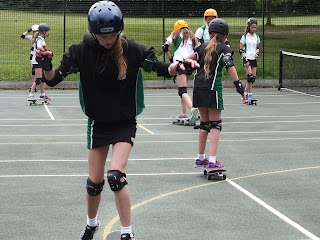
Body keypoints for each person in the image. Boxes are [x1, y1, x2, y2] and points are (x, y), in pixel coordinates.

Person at [35, 1, 199, 240]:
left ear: (119, 30)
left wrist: (181, 66)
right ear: (93, 33)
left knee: (116, 176)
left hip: (123, 121)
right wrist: (46, 64)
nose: (108, 40)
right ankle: (92, 224)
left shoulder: (131, 49)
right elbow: (53, 79)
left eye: (112, 34)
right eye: (103, 36)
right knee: (94, 183)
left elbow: (162, 68)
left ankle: (126, 232)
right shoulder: (82, 50)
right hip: (98, 123)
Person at [184, 18, 245, 170]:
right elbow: (230, 65)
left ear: (210, 33)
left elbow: (187, 60)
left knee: (204, 125)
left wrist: (189, 69)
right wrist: (239, 87)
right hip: (213, 89)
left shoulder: (201, 47)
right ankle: (212, 160)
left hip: (198, 88)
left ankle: (200, 158)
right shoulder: (224, 48)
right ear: (224, 35)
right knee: (215, 125)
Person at [162, 20, 198, 124]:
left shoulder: (175, 34)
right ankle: (183, 112)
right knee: (183, 89)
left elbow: (166, 45)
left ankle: (193, 109)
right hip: (190, 64)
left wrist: (170, 58)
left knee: (182, 90)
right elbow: (198, 49)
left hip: (180, 64)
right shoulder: (192, 36)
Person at [27, 23, 52, 102]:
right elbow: (39, 49)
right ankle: (31, 95)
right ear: (44, 32)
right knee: (38, 79)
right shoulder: (40, 40)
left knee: (42, 78)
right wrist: (47, 52)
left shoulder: (40, 39)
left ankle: (42, 95)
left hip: (39, 60)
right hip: (37, 61)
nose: (48, 33)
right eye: (47, 31)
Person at [239, 17, 260, 102]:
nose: (254, 29)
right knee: (250, 77)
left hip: (253, 59)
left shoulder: (257, 37)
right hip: (247, 59)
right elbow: (240, 49)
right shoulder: (244, 37)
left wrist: (257, 53)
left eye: (255, 27)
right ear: (249, 27)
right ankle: (250, 95)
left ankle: (244, 95)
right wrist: (245, 59)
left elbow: (257, 48)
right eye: (252, 27)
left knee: (252, 79)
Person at [20, 24, 39, 92]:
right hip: (33, 56)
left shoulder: (40, 38)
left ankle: (35, 86)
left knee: (38, 71)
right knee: (33, 71)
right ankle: (33, 86)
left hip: (38, 56)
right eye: (33, 31)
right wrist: (29, 30)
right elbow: (22, 36)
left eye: (36, 31)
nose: (34, 33)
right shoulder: (31, 37)